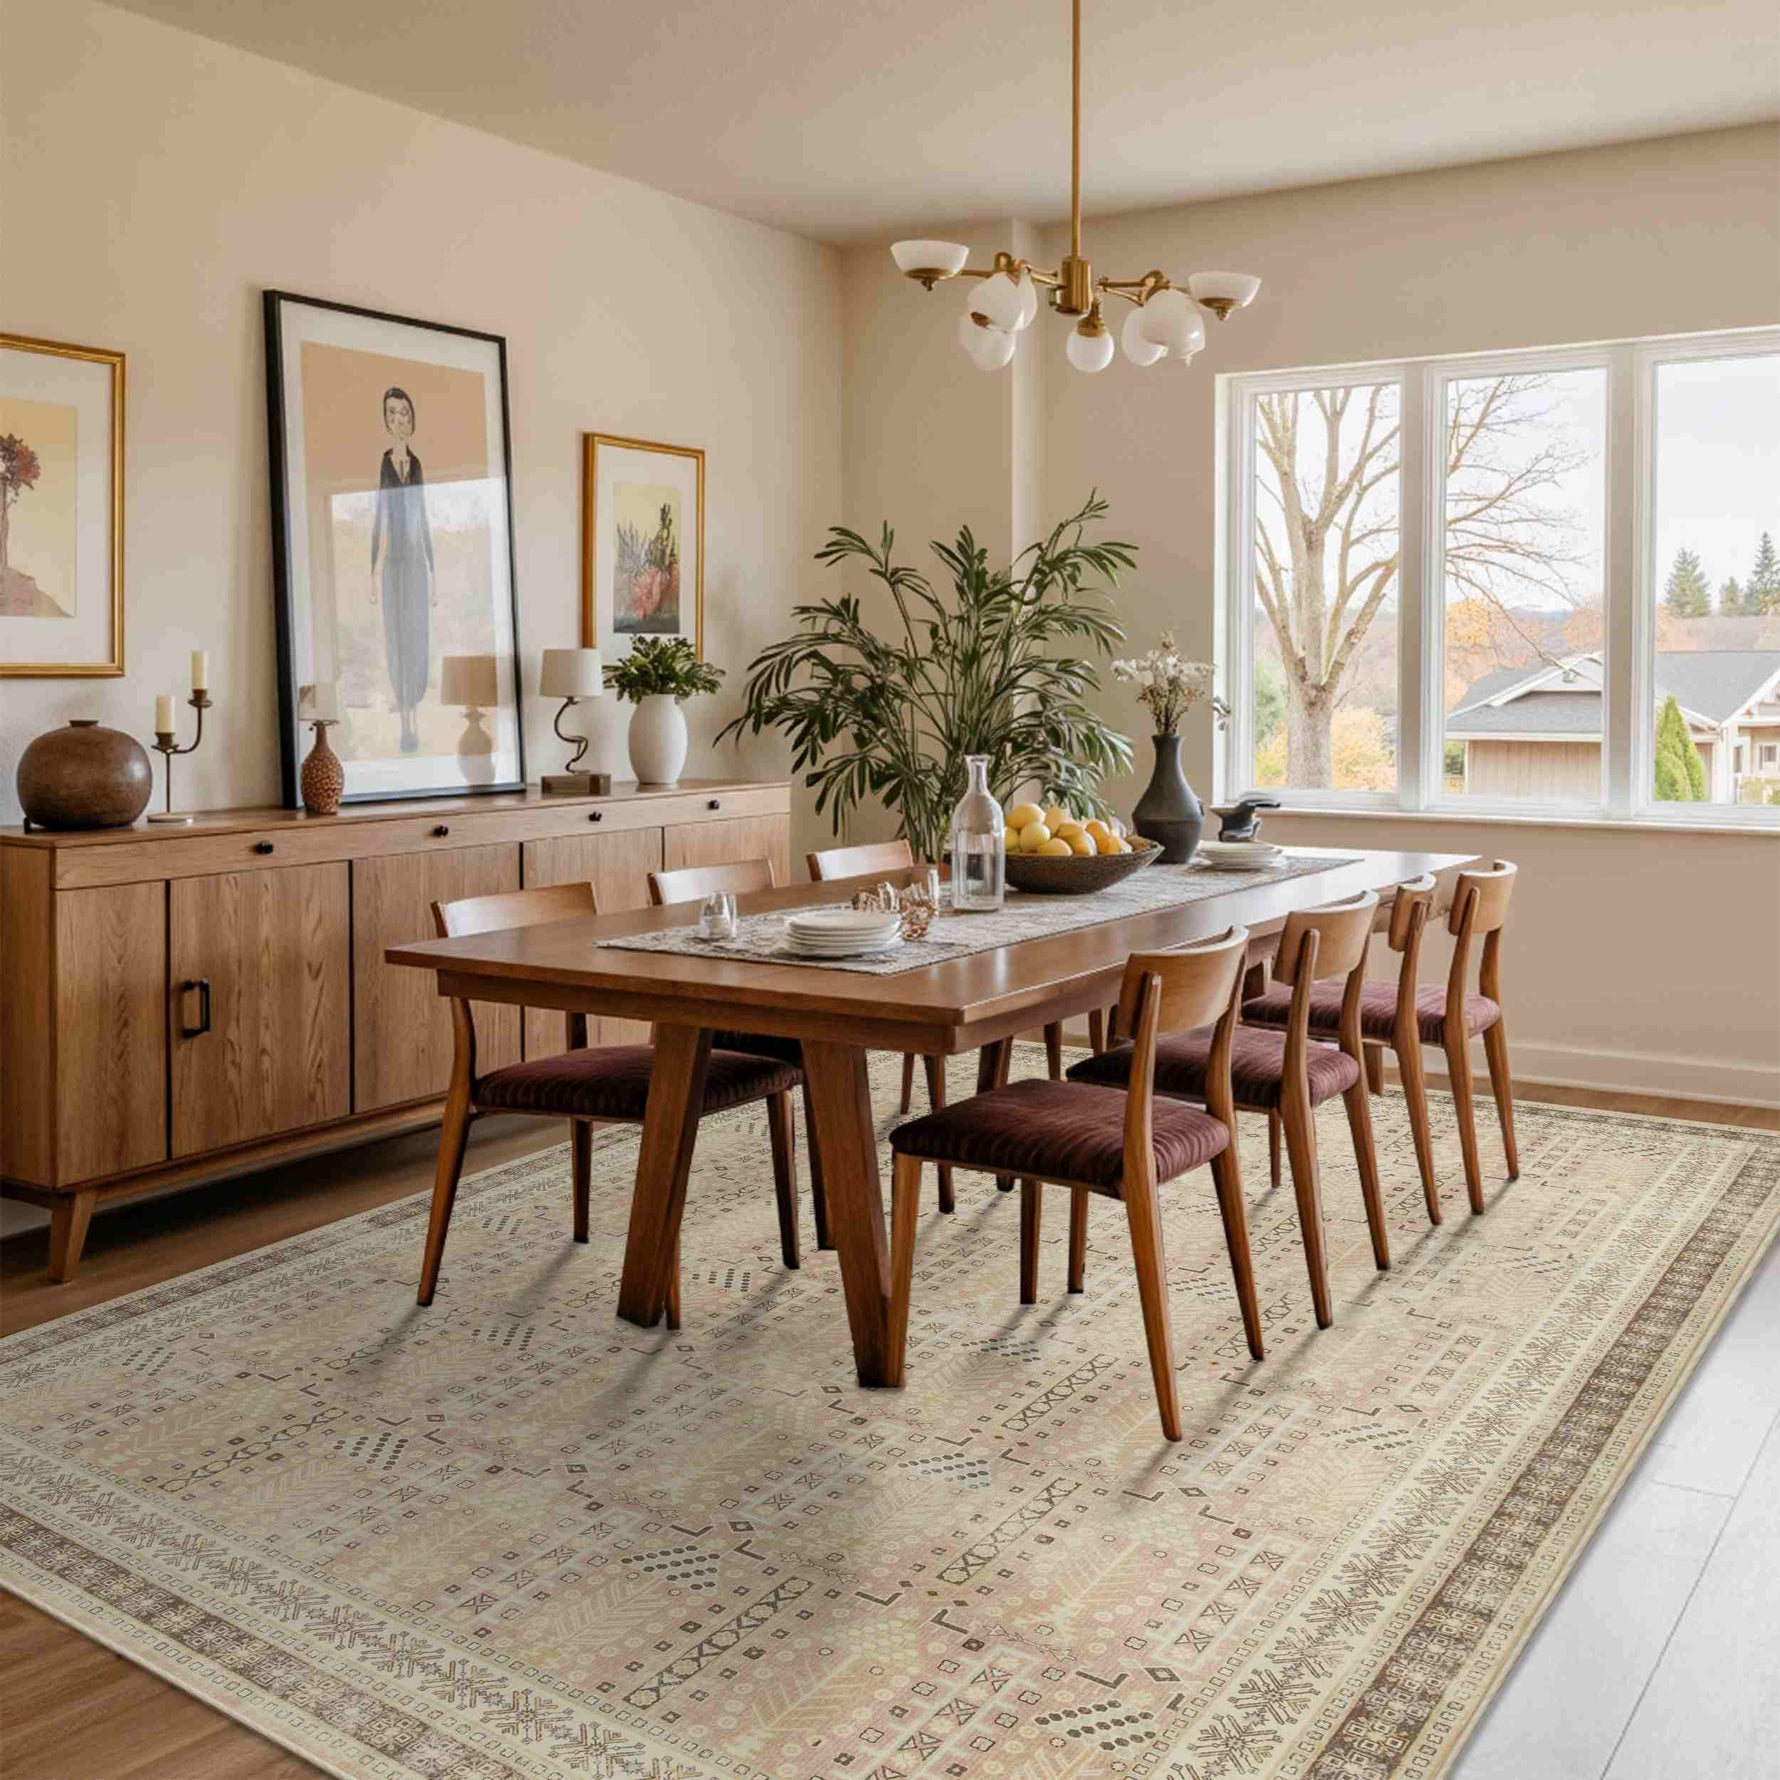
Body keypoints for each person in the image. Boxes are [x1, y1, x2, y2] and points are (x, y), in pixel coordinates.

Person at [369, 386, 435, 753]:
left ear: (412, 420)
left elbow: (422, 516)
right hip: (393, 566)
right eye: (392, 413)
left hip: (415, 565)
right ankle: (404, 723)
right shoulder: (385, 464)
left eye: (404, 413)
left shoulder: (418, 465)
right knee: (397, 636)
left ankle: (415, 717)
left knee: (417, 634)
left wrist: (432, 573)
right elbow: (381, 516)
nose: (398, 420)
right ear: (385, 420)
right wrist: (374, 572)